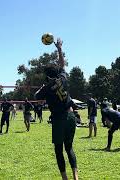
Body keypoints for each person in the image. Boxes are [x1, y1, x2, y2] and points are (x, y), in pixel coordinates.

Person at [35, 38, 78, 180]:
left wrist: (45, 85)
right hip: (71, 117)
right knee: (69, 148)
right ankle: (76, 177)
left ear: (47, 76)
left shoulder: (46, 88)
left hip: (59, 120)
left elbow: (36, 96)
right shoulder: (63, 78)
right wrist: (59, 49)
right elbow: (62, 64)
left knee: (59, 151)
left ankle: (65, 179)